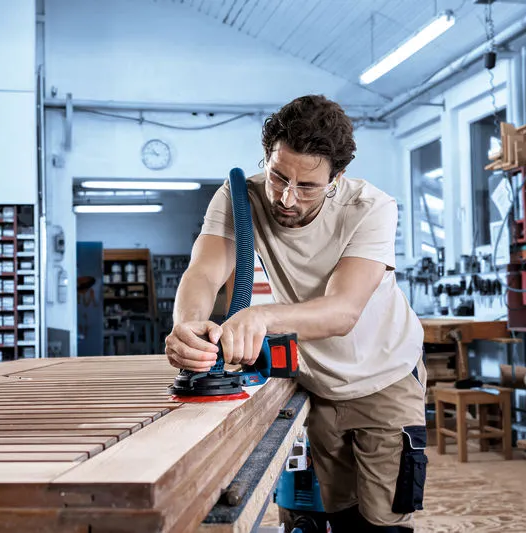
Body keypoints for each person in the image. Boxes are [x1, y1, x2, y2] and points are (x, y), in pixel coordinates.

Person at [164, 95, 426, 532]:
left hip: (385, 377)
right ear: (266, 158)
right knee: (331, 517)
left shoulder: (370, 208)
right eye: (278, 176)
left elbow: (342, 312)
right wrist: (188, 326)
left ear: (336, 179)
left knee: (382, 524)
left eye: (306, 187)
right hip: (315, 386)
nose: (286, 198)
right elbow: (203, 273)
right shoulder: (238, 196)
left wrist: (263, 318)